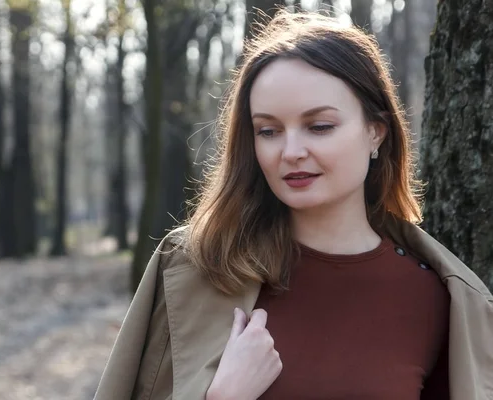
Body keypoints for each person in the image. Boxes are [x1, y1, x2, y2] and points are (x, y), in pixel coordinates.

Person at [94, 10, 493, 400]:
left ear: (376, 132)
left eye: (319, 126)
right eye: (269, 131)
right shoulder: (197, 269)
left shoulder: (437, 298)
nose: (292, 151)